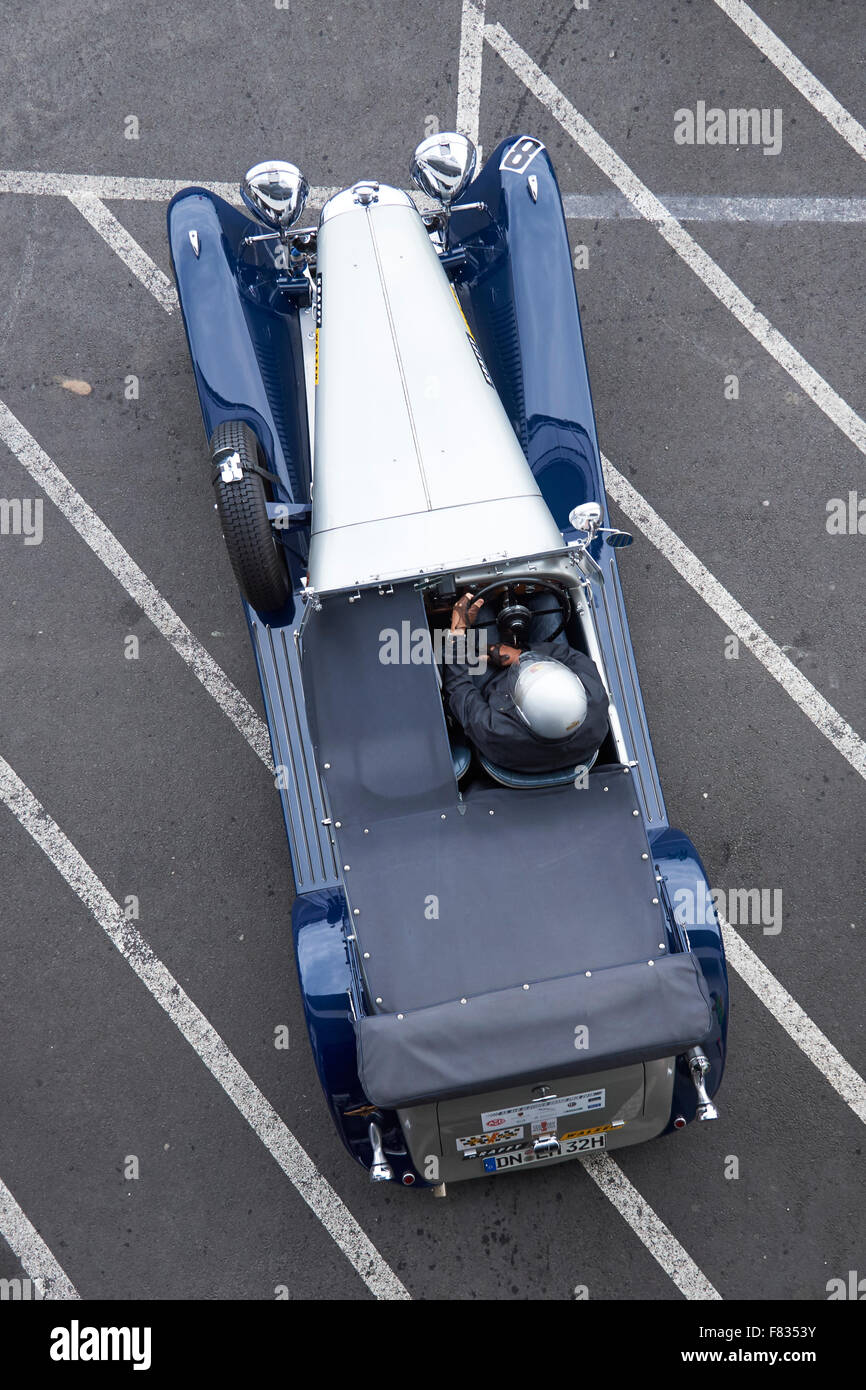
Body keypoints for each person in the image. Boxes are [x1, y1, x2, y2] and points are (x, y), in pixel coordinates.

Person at [443, 592, 609, 774]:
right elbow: (572, 657)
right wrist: (522, 654)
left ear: (520, 713)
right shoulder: (595, 700)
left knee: (481, 613)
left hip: (491, 684)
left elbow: (459, 689)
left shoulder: (497, 732)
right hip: (536, 657)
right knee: (547, 600)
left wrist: (457, 632)